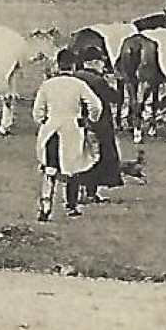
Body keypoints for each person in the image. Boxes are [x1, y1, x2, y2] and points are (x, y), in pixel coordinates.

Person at [31, 48, 103, 221]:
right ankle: (71, 205)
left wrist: (44, 121)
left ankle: (46, 204)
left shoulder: (47, 85)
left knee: (50, 168)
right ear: (72, 65)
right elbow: (96, 106)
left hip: (51, 130)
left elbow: (37, 112)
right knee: (72, 168)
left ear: (57, 64)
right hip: (72, 129)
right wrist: (89, 120)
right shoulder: (78, 85)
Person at [73, 50, 123, 205]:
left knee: (77, 157)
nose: (103, 65)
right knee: (97, 158)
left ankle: (75, 192)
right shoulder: (98, 80)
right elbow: (114, 98)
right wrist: (117, 85)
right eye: (101, 62)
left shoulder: (74, 77)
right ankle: (90, 192)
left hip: (76, 122)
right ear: (94, 62)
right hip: (98, 124)